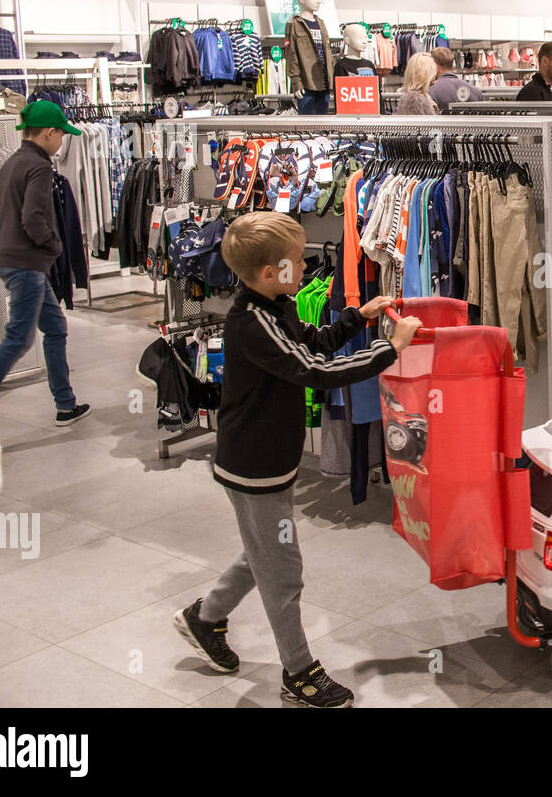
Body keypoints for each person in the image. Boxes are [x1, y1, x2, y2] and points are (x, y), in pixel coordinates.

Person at [173, 211, 422, 708]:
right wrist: (388, 350)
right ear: (269, 273)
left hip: (270, 459)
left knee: (262, 553)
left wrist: (358, 316)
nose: (304, 268)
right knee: (282, 571)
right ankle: (299, 673)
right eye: (295, 261)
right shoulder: (252, 323)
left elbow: (312, 341)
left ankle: (204, 617)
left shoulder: (277, 305)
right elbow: (316, 369)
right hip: (253, 465)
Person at [0, 101, 90, 425]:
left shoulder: (12, 162)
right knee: (19, 339)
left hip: (13, 261)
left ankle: (66, 405)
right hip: (27, 265)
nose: (62, 142)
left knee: (54, 328)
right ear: (50, 133)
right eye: (62, 135)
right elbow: (33, 218)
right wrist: (53, 247)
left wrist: (12, 241)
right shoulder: (39, 167)